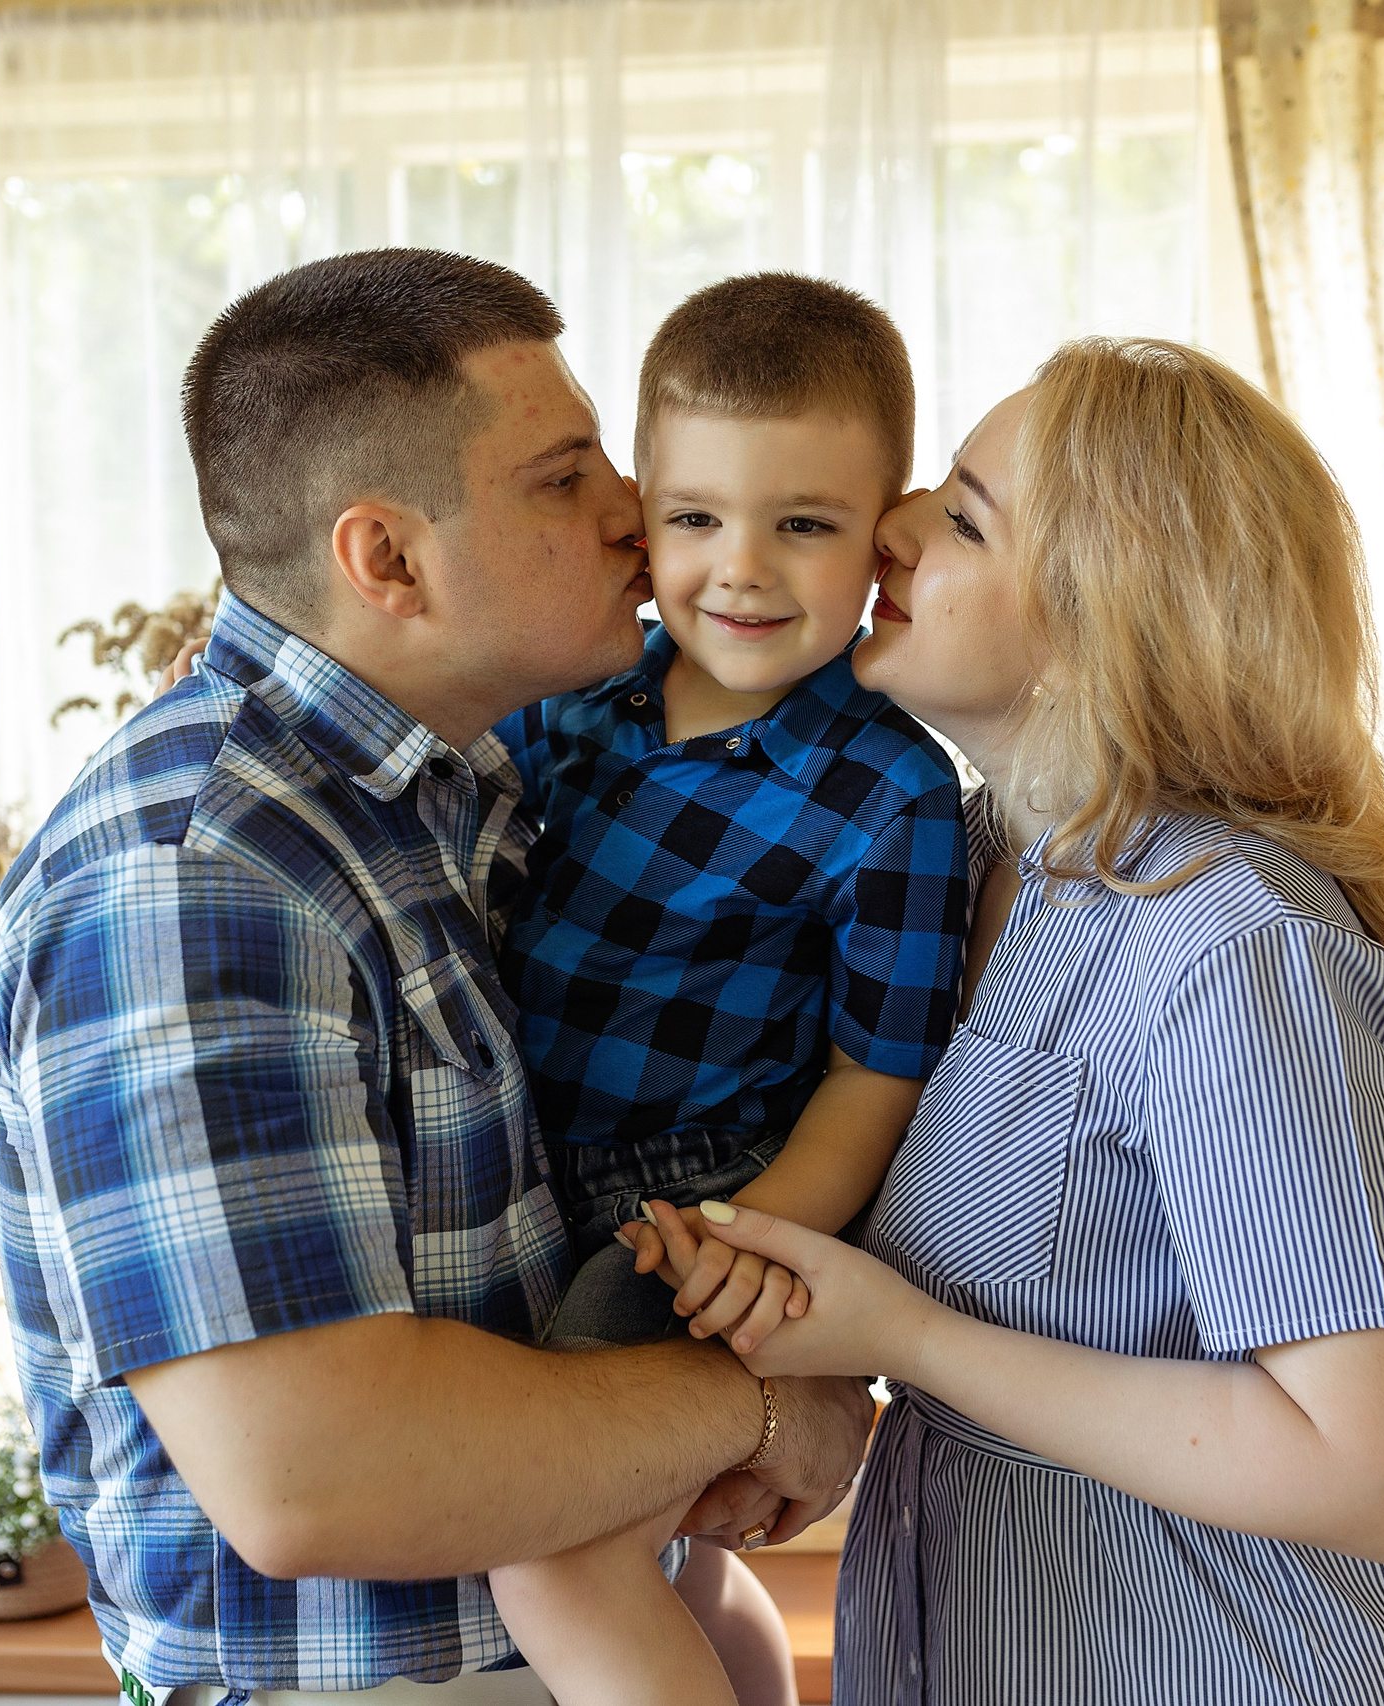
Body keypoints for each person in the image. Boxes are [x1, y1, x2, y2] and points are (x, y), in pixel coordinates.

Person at [0, 249, 875, 1705]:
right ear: (386, 558)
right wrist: (763, 1400)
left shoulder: (469, 796)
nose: (631, 515)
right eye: (564, 476)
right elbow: (317, 1475)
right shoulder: (197, 880)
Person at [637, 338, 1384, 1704]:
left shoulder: (1231, 945)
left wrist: (903, 1340)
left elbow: (1380, 1472)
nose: (890, 527)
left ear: (1107, 621)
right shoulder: (966, 867)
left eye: (963, 515)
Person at [485, 276, 969, 1706]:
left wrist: (751, 1244)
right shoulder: (564, 694)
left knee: (553, 1539)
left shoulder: (891, 790)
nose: (741, 569)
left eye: (802, 525)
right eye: (697, 519)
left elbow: (877, 1071)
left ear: (884, 534)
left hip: (694, 1196)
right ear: (641, 514)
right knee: (641, 1543)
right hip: (515, 1173)